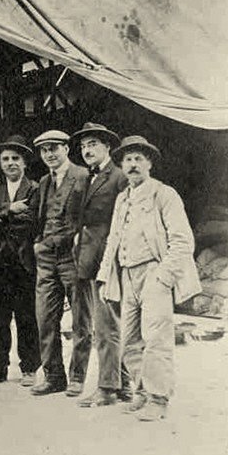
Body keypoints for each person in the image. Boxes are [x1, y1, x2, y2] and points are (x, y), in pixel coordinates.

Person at [96, 136, 200, 421]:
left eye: (138, 159)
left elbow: (182, 241)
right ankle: (141, 391)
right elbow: (113, 240)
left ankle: (158, 398)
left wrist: (164, 277)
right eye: (127, 160)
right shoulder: (122, 198)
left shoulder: (164, 194)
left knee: (156, 338)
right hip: (127, 274)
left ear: (149, 163)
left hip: (154, 272)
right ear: (121, 165)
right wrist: (106, 276)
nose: (132, 165)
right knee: (129, 340)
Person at [71, 123, 131, 407]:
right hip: (87, 258)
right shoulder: (87, 178)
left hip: (108, 260)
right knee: (104, 323)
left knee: (106, 326)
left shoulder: (118, 177)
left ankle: (108, 388)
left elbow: (124, 220)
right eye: (83, 146)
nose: (87, 150)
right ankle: (123, 384)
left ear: (108, 147)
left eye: (93, 144)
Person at [0, 136, 40, 388]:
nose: (10, 163)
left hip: (23, 261)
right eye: (6, 159)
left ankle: (29, 368)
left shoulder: (34, 188)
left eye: (15, 158)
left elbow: (31, 218)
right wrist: (11, 208)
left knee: (27, 317)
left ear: (24, 162)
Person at [29, 130, 89, 397]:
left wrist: (52, 241)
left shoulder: (83, 176)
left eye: (54, 148)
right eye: (44, 150)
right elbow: (38, 216)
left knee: (80, 320)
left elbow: (84, 220)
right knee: (45, 318)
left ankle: (77, 377)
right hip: (46, 259)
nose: (49, 154)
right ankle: (54, 376)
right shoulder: (44, 181)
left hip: (72, 257)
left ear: (66, 149)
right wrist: (37, 241)